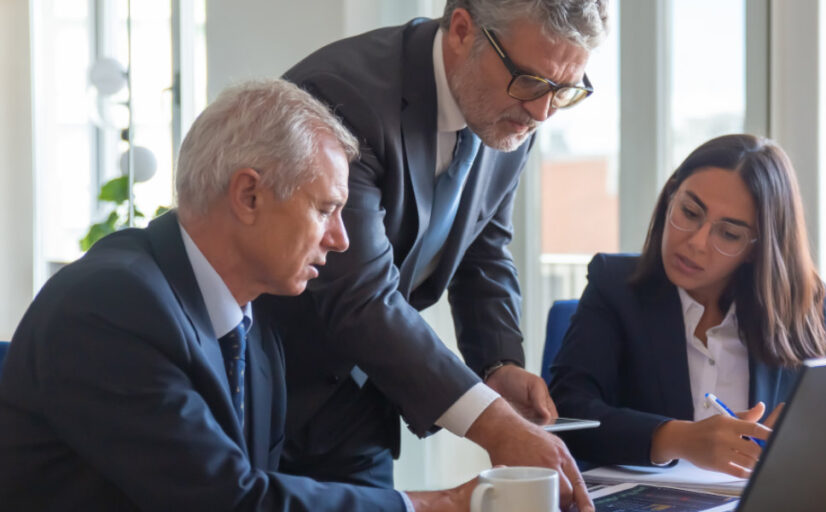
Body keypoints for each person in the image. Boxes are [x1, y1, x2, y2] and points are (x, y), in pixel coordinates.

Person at [0, 79, 477, 511]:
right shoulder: (109, 305)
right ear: (249, 195)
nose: (340, 239)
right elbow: (226, 501)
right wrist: (433, 506)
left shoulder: (257, 322)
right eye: (326, 209)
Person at [267, 0, 607, 503]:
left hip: (361, 404)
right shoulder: (342, 97)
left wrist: (498, 367)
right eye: (532, 82)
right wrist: (491, 424)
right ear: (463, 30)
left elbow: (483, 246)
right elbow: (360, 297)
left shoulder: (515, 109)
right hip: (269, 390)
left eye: (564, 91)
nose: (542, 112)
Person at [549, 134, 826, 477]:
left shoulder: (799, 302)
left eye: (728, 234)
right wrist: (677, 438)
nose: (696, 242)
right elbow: (568, 413)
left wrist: (808, 422)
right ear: (670, 196)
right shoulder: (614, 286)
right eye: (689, 212)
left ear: (756, 248)